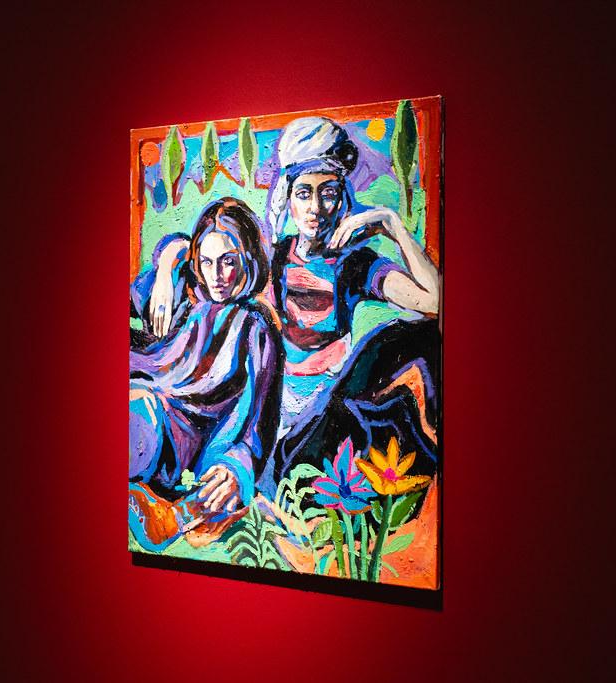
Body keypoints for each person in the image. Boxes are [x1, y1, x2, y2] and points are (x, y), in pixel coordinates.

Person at [146, 116, 441, 498]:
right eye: (304, 193)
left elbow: (435, 301)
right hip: (268, 418)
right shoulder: (271, 258)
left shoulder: (356, 266)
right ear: (287, 196)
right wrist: (166, 270)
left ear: (342, 196)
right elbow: (207, 244)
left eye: (328, 192)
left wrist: (392, 224)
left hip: (328, 417)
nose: (316, 208)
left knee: (408, 337)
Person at [129, 198, 282, 551]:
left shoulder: (254, 325)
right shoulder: (187, 294)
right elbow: (168, 255)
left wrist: (236, 467)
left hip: (178, 438)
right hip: (145, 396)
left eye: (228, 262)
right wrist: (166, 270)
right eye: (207, 262)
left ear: (247, 261)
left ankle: (176, 515)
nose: (216, 276)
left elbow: (256, 419)